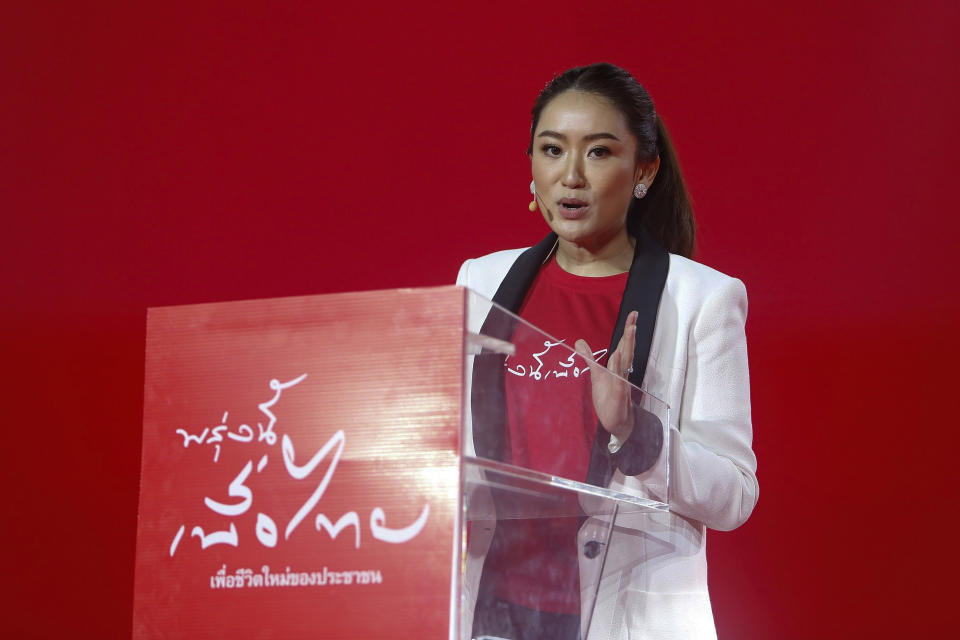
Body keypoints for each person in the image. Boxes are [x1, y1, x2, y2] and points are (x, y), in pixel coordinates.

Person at [456, 63, 758, 640]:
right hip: (490, 611)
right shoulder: (479, 282)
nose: (571, 176)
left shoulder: (703, 299)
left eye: (597, 153)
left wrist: (635, 431)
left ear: (643, 171)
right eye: (552, 150)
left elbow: (734, 495)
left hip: (625, 618)